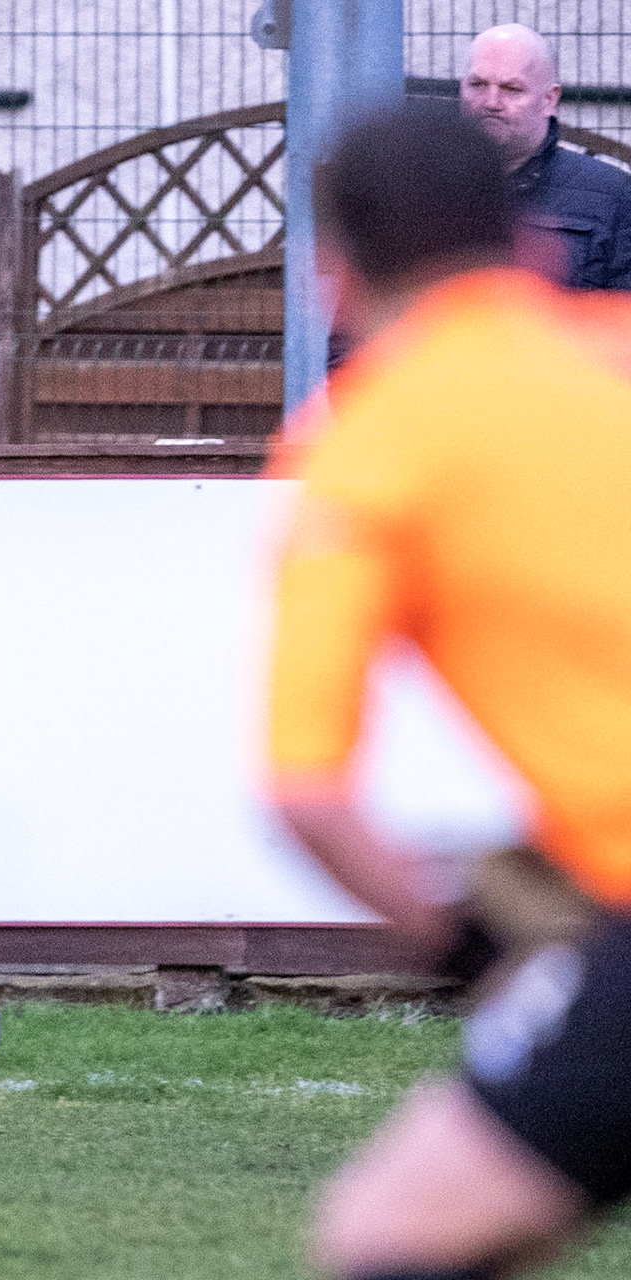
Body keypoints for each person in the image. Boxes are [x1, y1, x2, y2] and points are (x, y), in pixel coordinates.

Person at [268, 107, 631, 1279]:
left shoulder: (371, 442)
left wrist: (469, 944)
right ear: (528, 243)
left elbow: (308, 792)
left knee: (385, 1234)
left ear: (336, 270)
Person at [461, 22, 631, 289]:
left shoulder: (613, 195)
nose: (491, 102)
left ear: (550, 99)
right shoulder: (418, 186)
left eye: (512, 89)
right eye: (478, 84)